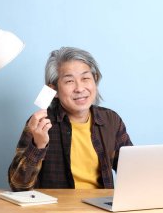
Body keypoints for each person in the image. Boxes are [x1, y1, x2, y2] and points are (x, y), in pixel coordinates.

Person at [8, 47, 133, 191]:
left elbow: (132, 171)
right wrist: (38, 145)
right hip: (57, 211)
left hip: (101, 209)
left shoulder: (111, 120)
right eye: (69, 81)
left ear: (95, 80)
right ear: (53, 90)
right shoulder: (39, 124)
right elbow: (17, 186)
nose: (79, 88)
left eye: (85, 78)